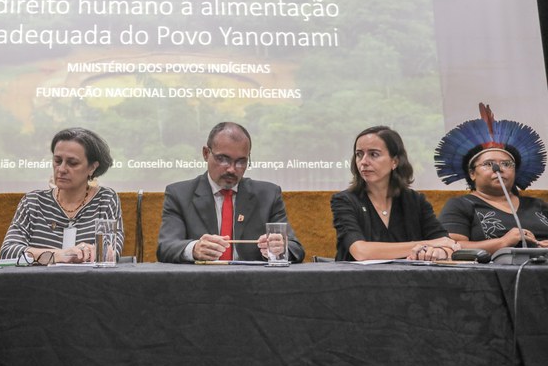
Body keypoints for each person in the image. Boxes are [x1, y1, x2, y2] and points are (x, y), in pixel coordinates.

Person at [157, 121, 305, 263]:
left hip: (254, 283)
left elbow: (295, 249)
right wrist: (194, 249)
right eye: (223, 159)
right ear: (206, 153)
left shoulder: (268, 194)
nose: (232, 169)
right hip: (199, 283)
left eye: (241, 161)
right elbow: (166, 247)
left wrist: (280, 248)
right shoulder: (179, 194)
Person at [330, 126, 458, 261]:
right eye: (359, 154)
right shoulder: (344, 200)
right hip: (356, 280)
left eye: (374, 154)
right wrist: (428, 244)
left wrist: (437, 252)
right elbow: (361, 252)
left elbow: (446, 244)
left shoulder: (415, 200)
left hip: (407, 280)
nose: (363, 162)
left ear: (395, 161)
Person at [0, 127, 124, 264]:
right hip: (37, 283)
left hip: (87, 283)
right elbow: (8, 251)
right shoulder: (32, 202)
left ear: (92, 167)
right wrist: (59, 255)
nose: (61, 169)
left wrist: (91, 253)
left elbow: (111, 253)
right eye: (57, 161)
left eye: (72, 163)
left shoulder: (105, 199)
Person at [435, 103, 548, 252]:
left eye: (507, 164)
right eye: (488, 164)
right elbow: (450, 247)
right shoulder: (461, 205)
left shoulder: (537, 205)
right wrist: (502, 242)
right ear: (472, 173)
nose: (499, 169)